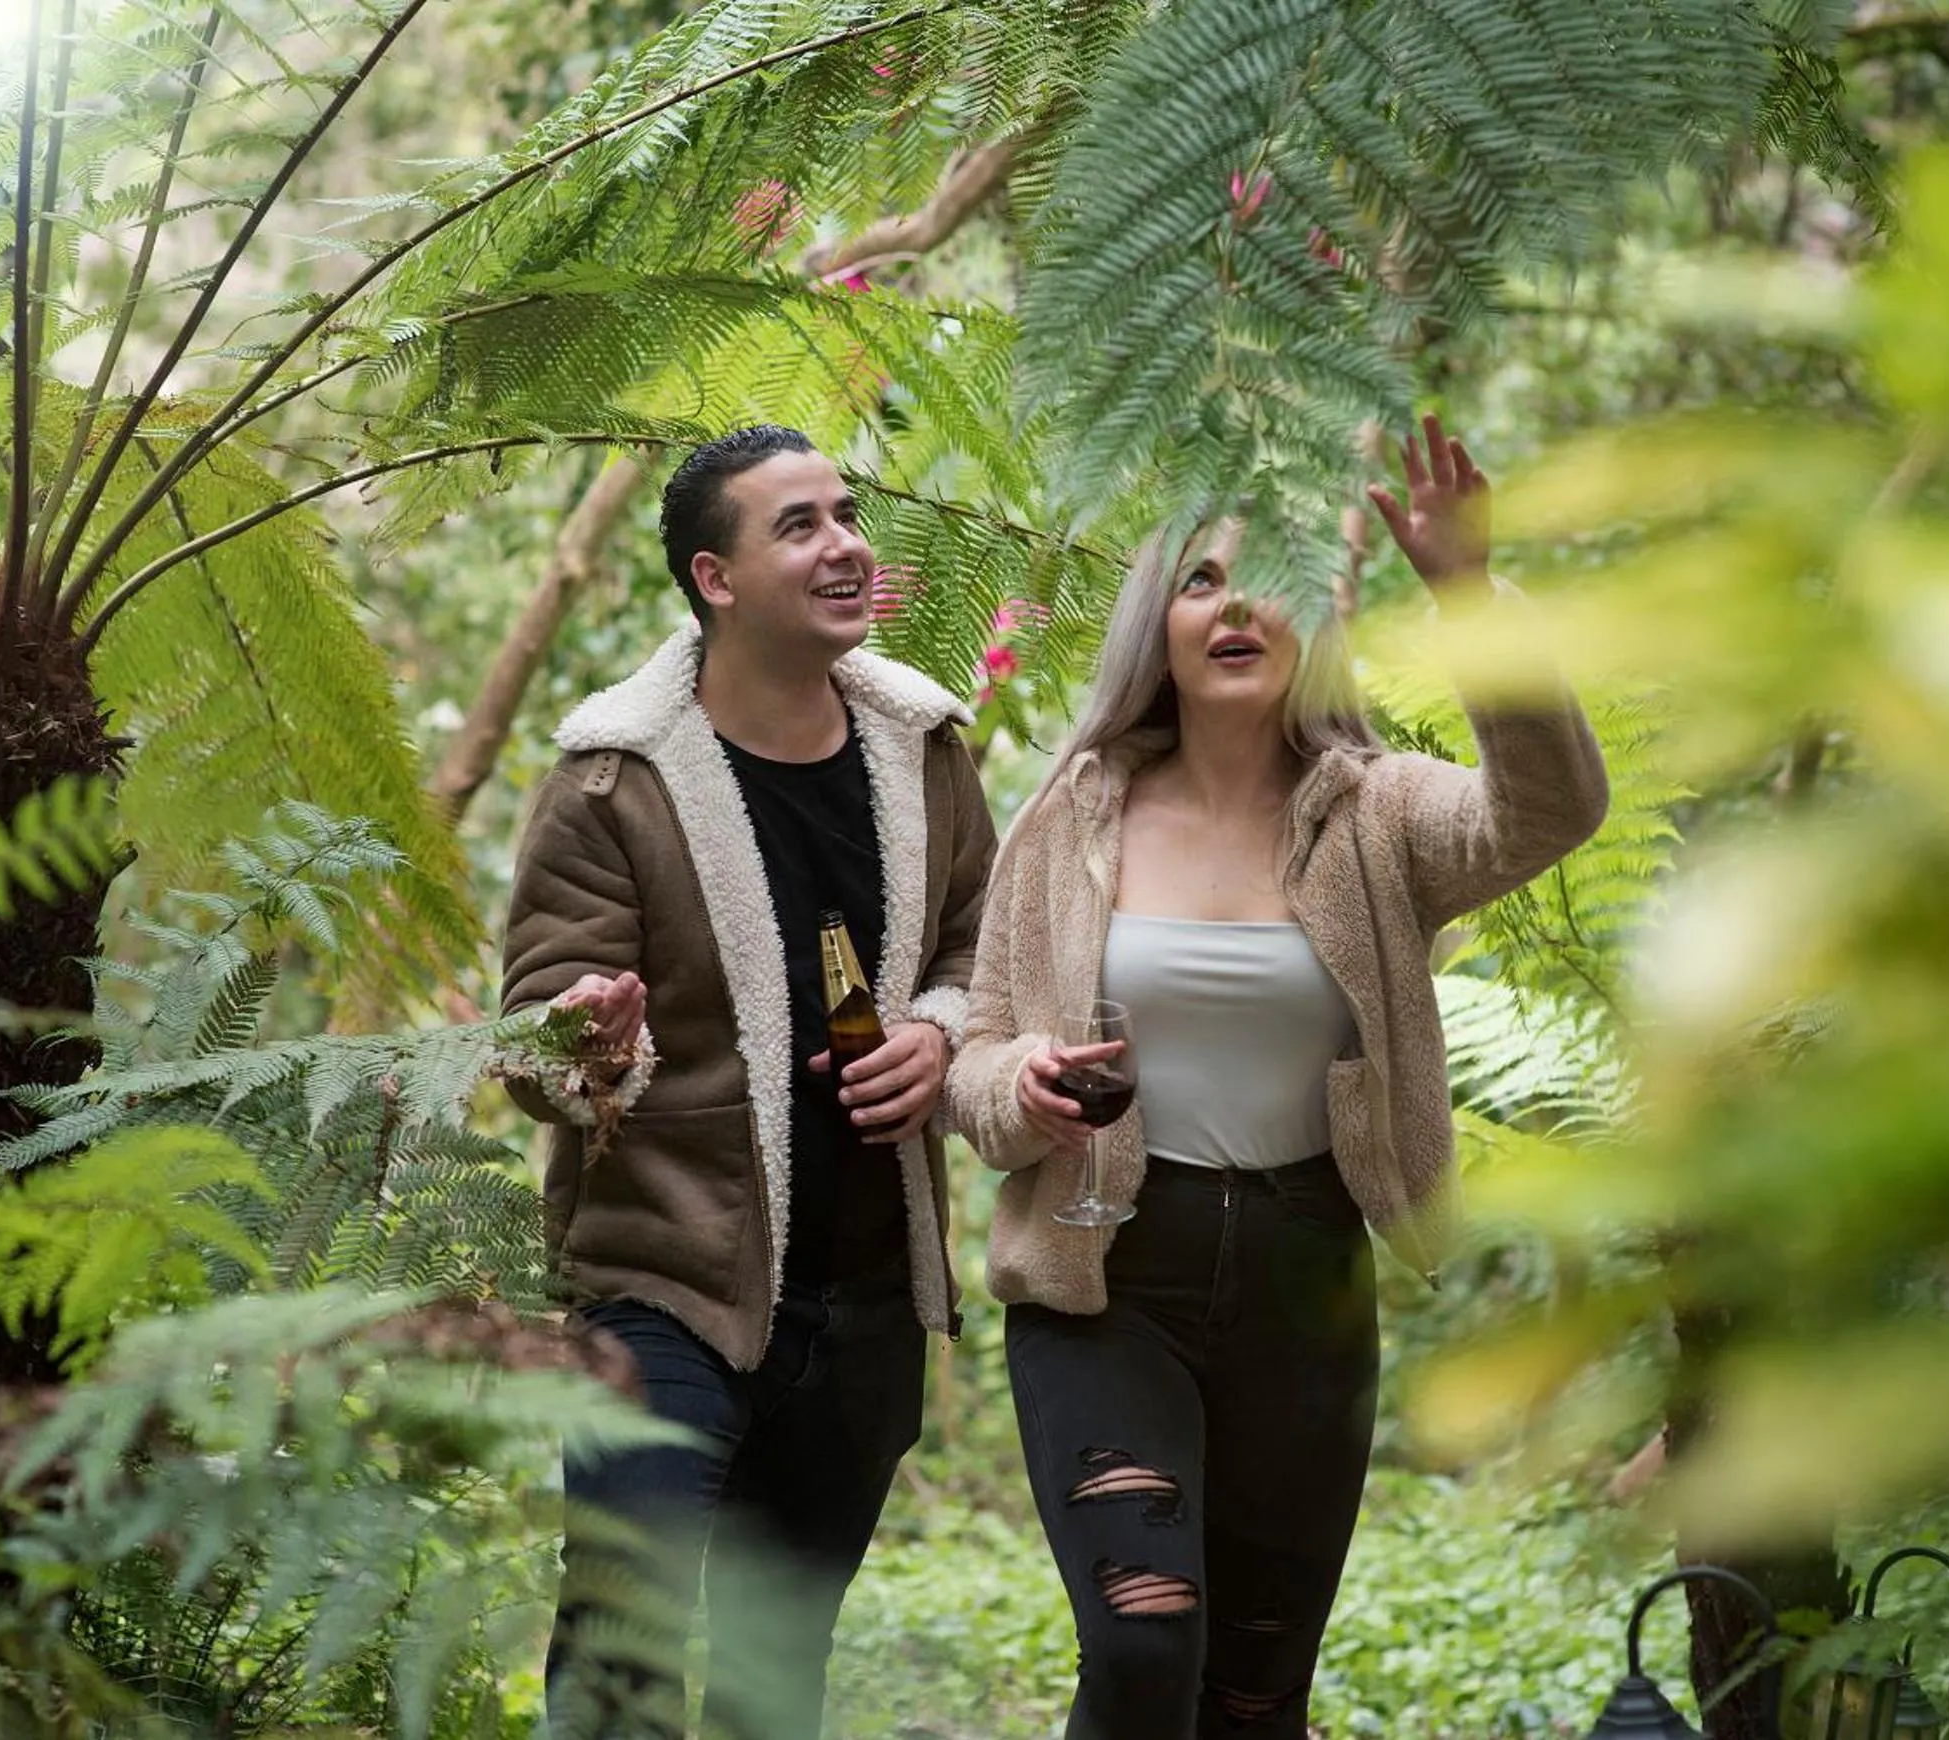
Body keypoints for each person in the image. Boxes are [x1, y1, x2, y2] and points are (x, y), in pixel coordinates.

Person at [944, 413, 1609, 1740]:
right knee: (1141, 1648)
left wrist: (1468, 590)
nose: (1232, 605)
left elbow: (1553, 807)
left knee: (1253, 1695)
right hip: (1104, 1281)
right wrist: (1023, 1084)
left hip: (1307, 1279)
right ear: (1160, 627)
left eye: (1264, 581)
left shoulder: (1378, 817)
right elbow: (975, 1054)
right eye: (1198, 580)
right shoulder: (1073, 811)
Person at [500, 424, 997, 1740]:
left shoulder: (926, 748)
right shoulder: (612, 781)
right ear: (715, 579)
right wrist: (588, 1041)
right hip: (662, 1286)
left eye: (846, 514)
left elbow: (980, 940)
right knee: (621, 1657)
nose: (844, 545)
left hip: (867, 1297)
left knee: (775, 1682)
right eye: (799, 525)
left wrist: (940, 1031)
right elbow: (528, 1033)